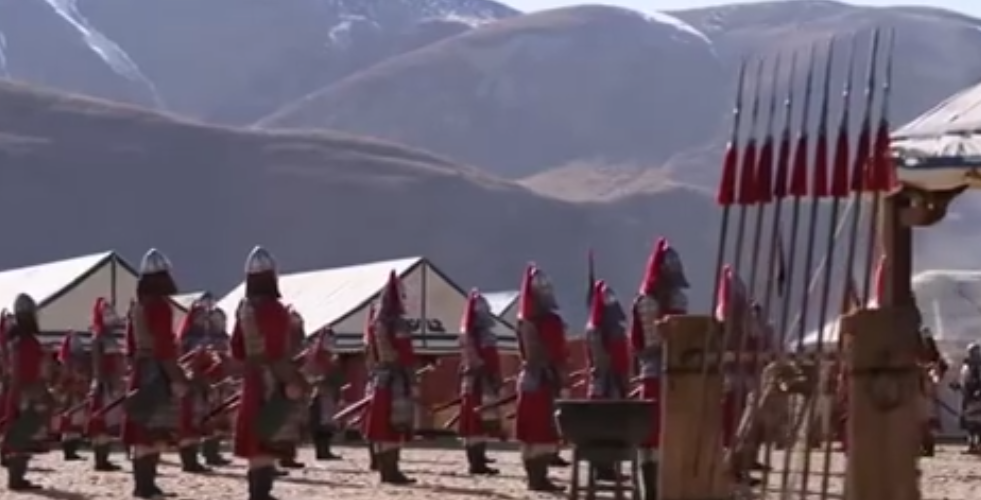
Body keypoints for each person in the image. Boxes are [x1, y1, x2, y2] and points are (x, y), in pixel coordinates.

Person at [230, 246, 307, 500]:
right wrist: (291, 380)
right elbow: (276, 352)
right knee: (267, 433)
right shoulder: (275, 309)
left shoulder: (244, 308)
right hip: (271, 377)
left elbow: (237, 349)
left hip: (252, 376)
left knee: (258, 436)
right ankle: (261, 494)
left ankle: (257, 492)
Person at [122, 248, 189, 499]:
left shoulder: (138, 306)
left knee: (145, 432)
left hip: (142, 368)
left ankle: (145, 485)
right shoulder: (160, 307)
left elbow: (131, 345)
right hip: (157, 369)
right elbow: (163, 344)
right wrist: (177, 376)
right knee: (153, 431)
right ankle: (145, 486)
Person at [630, 237, 689, 500]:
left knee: (653, 435)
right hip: (670, 373)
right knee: (662, 434)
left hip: (653, 372)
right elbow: (679, 339)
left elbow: (637, 342)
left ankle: (653, 491)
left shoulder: (644, 300)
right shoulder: (672, 299)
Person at [514, 264, 568, 492]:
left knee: (531, 433)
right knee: (541, 430)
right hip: (544, 381)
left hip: (527, 378)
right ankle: (539, 478)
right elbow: (557, 354)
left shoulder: (522, 321)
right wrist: (563, 382)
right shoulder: (550, 322)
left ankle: (534, 477)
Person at [362, 272, 418, 484]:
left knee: (383, 428)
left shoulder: (375, 322)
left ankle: (387, 471)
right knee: (393, 427)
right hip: (396, 379)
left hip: (379, 378)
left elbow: (369, 353)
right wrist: (412, 379)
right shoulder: (398, 323)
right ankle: (391, 472)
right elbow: (405, 354)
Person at [1, 294, 54, 490]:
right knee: (20, 435)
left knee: (25, 435)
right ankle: (15, 480)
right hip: (22, 391)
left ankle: (19, 478)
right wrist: (21, 395)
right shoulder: (19, 341)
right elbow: (17, 370)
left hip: (27, 389)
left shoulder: (26, 339)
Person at [584, 280, 631, 481]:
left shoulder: (590, 328)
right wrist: (625, 381)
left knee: (597, 428)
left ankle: (600, 468)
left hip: (595, 385)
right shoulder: (615, 329)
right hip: (612, 384)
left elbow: (589, 358)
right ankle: (607, 469)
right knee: (611, 428)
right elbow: (620, 359)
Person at [457, 289, 503, 475]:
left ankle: (477, 460)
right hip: (482, 383)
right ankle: (477, 464)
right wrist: (496, 377)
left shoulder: (466, 334)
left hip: (469, 382)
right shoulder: (483, 336)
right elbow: (491, 359)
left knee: (473, 425)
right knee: (478, 425)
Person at [176, 293, 220, 473]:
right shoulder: (186, 339)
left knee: (201, 421)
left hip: (204, 381)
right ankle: (188, 461)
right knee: (189, 421)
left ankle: (196, 458)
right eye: (199, 316)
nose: (202, 319)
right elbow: (182, 360)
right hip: (190, 383)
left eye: (204, 316)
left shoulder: (208, 337)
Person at [87, 297, 127, 471]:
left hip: (114, 383)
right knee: (101, 423)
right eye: (106, 312)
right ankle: (100, 460)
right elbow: (97, 364)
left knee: (109, 424)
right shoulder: (98, 338)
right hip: (104, 384)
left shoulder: (113, 338)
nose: (110, 315)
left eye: (111, 311)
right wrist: (100, 382)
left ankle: (104, 459)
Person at [305, 328, 344, 461]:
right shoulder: (316, 356)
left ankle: (325, 450)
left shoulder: (330, 357)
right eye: (328, 339)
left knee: (328, 424)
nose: (330, 342)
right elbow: (311, 374)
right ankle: (321, 451)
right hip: (320, 394)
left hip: (329, 394)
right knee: (320, 424)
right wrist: (319, 381)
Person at [55, 330, 89, 461]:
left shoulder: (77, 365)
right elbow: (63, 382)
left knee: (76, 426)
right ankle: (68, 452)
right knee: (70, 427)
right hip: (71, 398)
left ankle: (72, 451)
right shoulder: (66, 366)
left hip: (78, 397)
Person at [959, 343, 981, 454]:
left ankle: (978, 445)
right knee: (969, 423)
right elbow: (965, 379)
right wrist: (958, 386)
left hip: (977, 397)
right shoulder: (966, 365)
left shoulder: (979, 365)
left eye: (975, 351)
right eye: (971, 351)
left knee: (977, 422)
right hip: (967, 396)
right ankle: (972, 445)